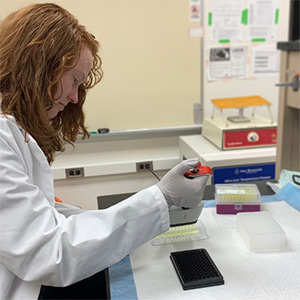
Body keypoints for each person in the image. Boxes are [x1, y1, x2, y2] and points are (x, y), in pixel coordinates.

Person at [0, 3, 210, 299]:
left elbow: (40, 214)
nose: (74, 98)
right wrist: (161, 198)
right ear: (38, 67)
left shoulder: (13, 130)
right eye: (73, 80)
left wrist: (147, 204)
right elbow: (50, 253)